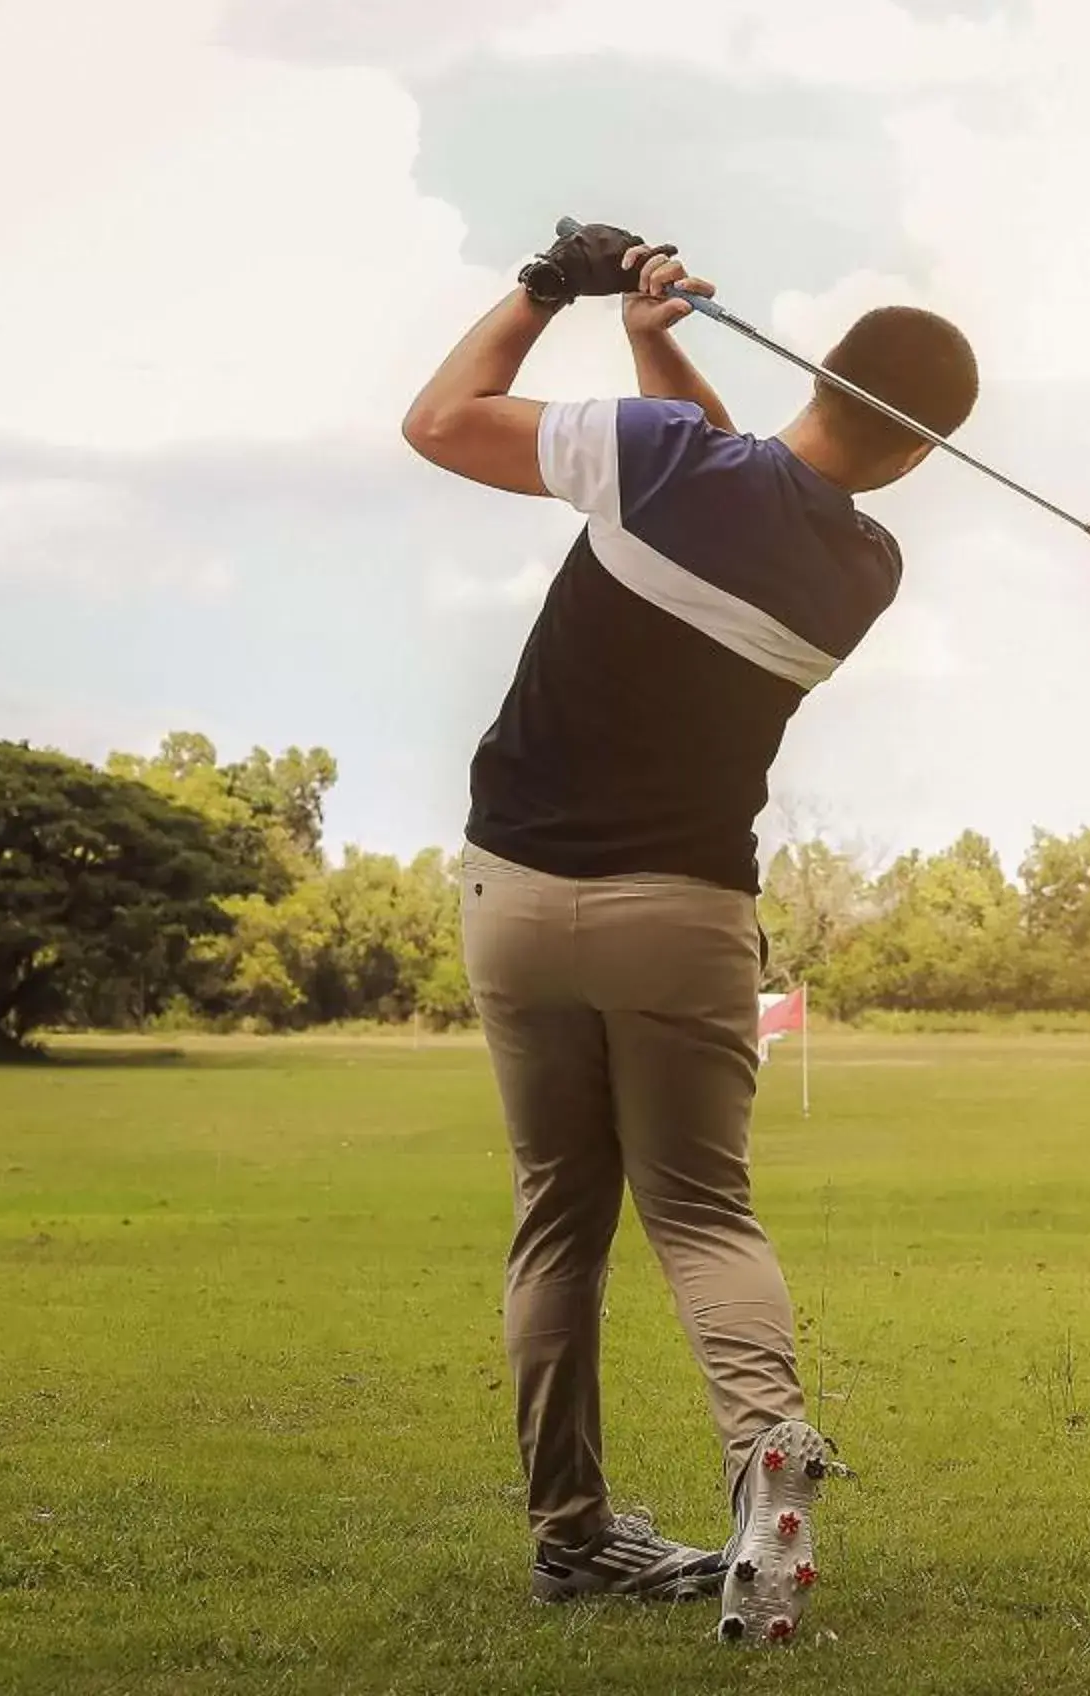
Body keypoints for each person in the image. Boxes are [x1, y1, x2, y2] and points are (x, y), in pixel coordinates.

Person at [400, 218, 977, 1646]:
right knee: (703, 1214)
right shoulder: (862, 570)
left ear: (822, 371)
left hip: (517, 900)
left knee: (559, 1219)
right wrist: (657, 342)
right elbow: (752, 490)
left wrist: (557, 289)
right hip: (685, 918)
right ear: (914, 453)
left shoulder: (663, 465)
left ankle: (572, 1539)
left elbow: (440, 423)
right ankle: (768, 1449)